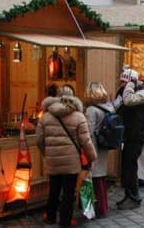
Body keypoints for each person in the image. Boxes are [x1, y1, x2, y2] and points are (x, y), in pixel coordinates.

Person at [36, 86, 97, 227]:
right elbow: (85, 141)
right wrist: (92, 157)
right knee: (68, 193)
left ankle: (50, 217)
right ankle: (65, 222)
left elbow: (39, 139)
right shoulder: (79, 116)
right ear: (74, 98)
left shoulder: (45, 116)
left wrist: (46, 153)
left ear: (58, 97)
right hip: (71, 161)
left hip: (52, 160)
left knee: (54, 189)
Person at [116, 69, 144, 210]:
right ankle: (129, 196)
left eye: (123, 82)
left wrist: (129, 86)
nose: (121, 84)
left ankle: (134, 198)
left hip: (136, 135)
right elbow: (118, 106)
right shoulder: (130, 90)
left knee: (131, 167)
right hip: (129, 134)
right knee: (127, 166)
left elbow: (128, 101)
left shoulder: (143, 93)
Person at [85, 82, 113, 218]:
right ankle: (104, 206)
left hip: (94, 147)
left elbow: (88, 132)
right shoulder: (108, 107)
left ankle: (100, 209)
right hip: (104, 146)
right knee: (101, 177)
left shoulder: (91, 110)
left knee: (95, 178)